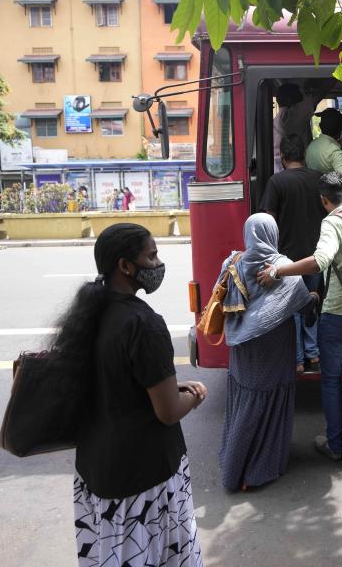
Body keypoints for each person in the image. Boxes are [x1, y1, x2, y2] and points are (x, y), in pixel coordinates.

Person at [54, 223, 206, 567]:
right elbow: (167, 411)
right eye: (151, 256)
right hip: (144, 479)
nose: (157, 264)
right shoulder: (144, 324)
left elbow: (115, 381)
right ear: (125, 266)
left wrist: (169, 386)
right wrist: (195, 395)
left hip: (96, 469)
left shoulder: (87, 314)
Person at [257, 172, 342, 467]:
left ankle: (335, 445)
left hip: (337, 316)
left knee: (332, 381)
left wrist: (277, 271)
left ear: (324, 201)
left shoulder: (331, 223)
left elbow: (319, 260)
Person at [219, 213, 317, 491]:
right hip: (273, 346)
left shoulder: (233, 261)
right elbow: (304, 310)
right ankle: (257, 470)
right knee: (268, 399)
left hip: (241, 345)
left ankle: (234, 463)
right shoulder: (283, 267)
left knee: (246, 399)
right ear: (272, 233)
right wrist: (313, 299)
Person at [260, 134, 326, 372]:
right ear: (303, 156)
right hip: (316, 255)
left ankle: (298, 360)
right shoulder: (319, 179)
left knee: (292, 309)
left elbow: (269, 221)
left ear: (284, 158)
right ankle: (314, 354)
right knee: (311, 302)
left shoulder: (276, 182)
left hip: (286, 258)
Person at [305, 109, 342, 193]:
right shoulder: (334, 151)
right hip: (331, 197)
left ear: (320, 126)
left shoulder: (311, 146)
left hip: (315, 194)